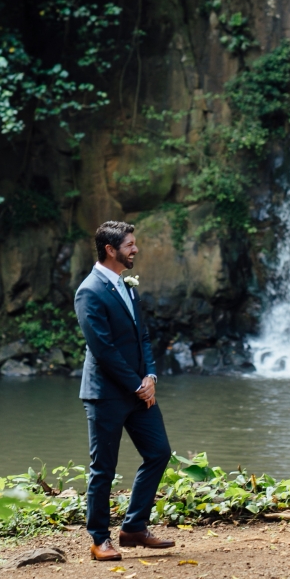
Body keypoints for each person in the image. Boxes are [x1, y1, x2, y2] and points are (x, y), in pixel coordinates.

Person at [74, 220, 175, 561]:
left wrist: (150, 376)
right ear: (110, 250)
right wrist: (136, 384)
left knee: (159, 452)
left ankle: (133, 527)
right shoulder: (89, 291)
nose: (135, 249)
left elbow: (141, 337)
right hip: (105, 394)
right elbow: (102, 349)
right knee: (103, 467)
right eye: (130, 244)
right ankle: (99, 538)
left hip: (139, 391)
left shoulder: (127, 286)